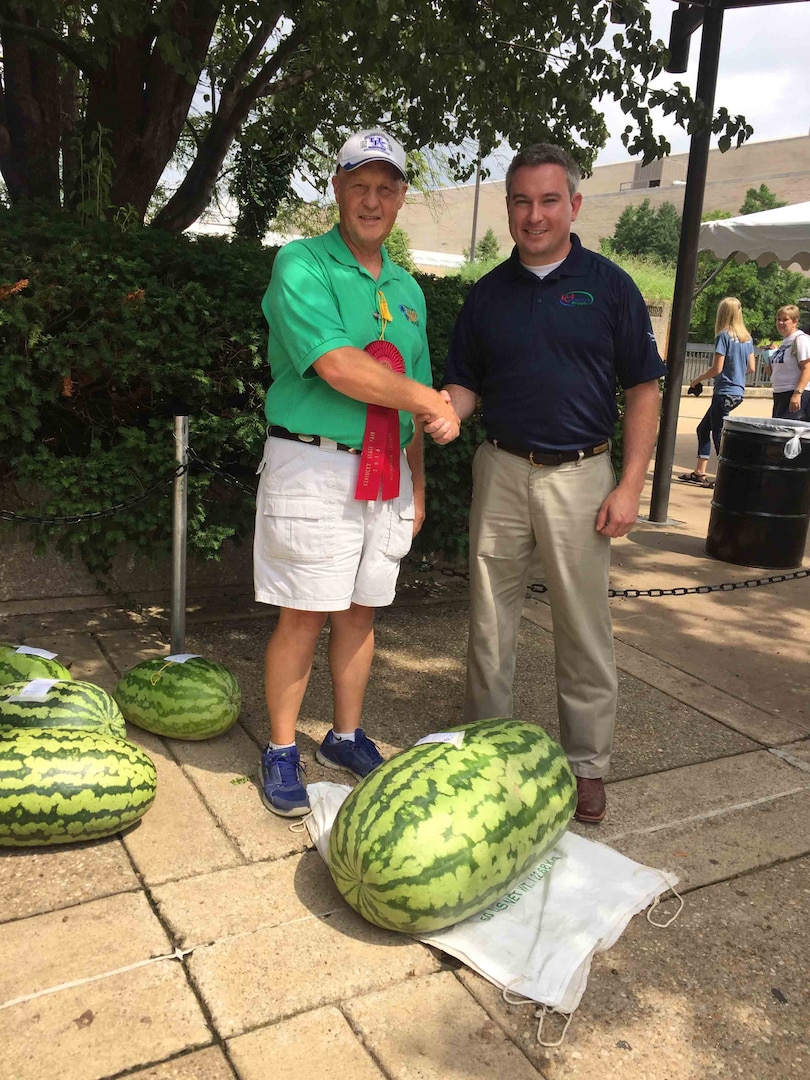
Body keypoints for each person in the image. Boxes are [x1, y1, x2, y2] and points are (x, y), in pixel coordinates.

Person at [436, 143, 665, 825]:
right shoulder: (487, 294)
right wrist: (441, 416)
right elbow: (465, 385)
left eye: (547, 200)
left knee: (583, 626)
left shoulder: (609, 285)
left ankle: (586, 763)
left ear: (574, 204)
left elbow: (646, 390)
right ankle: (485, 746)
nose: (533, 216)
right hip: (500, 469)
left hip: (583, 476)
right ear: (508, 205)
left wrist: (629, 485)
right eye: (521, 201)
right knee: (488, 620)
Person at [254, 128, 460, 817]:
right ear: (337, 190)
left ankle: (344, 735)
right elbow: (338, 365)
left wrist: (419, 484)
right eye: (359, 186)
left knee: (361, 610)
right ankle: (282, 749)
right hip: (313, 464)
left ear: (401, 198)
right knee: (305, 613)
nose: (372, 200)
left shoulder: (407, 289)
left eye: (386, 188)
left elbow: (414, 403)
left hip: (387, 477)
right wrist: (429, 401)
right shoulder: (301, 265)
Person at [679, 297, 756, 488]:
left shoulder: (723, 336)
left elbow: (717, 368)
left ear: (722, 313)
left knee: (719, 436)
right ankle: (699, 472)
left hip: (724, 392)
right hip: (737, 391)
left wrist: (697, 380)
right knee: (703, 429)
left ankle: (726, 478)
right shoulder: (746, 338)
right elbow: (752, 368)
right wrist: (736, 373)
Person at [765, 304, 810, 420]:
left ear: (795, 321)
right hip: (780, 393)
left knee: (787, 433)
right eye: (778, 319)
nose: (780, 323)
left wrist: (797, 393)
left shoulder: (801, 339)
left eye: (785, 320)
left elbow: (807, 368)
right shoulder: (784, 343)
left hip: (794, 393)